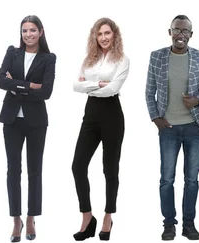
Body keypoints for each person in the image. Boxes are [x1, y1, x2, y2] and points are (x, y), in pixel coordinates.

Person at [145, 14, 199, 241]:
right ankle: (168, 224)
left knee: (192, 180)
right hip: (169, 128)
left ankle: (189, 224)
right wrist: (156, 118)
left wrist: (198, 99)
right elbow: (149, 92)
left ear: (191, 35)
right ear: (170, 32)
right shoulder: (157, 57)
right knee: (167, 179)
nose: (180, 35)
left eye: (185, 31)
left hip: (195, 127)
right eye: (177, 30)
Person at [0, 15, 56, 242]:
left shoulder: (48, 58)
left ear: (41, 31)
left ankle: (31, 218)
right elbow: (1, 81)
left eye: (32, 30)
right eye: (24, 31)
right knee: (13, 171)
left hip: (36, 122)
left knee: (35, 171)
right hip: (11, 119)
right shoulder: (12, 52)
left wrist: (16, 85)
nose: (28, 34)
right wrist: (30, 85)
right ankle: (16, 220)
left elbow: (47, 92)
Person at [71, 17, 129, 241]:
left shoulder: (122, 60)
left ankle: (108, 216)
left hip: (112, 115)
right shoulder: (90, 59)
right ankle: (87, 216)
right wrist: (100, 85)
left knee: (110, 169)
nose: (103, 37)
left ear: (114, 35)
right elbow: (76, 85)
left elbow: (112, 89)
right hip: (91, 115)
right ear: (95, 36)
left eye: (107, 33)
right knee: (77, 166)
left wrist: (92, 86)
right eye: (99, 34)